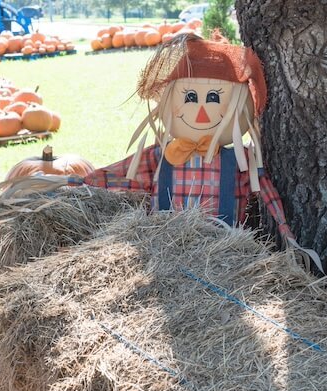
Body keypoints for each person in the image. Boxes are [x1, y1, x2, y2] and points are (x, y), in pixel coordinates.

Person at [81, 32, 295, 242]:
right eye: (190, 98)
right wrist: (78, 182)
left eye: (213, 98)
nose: (201, 111)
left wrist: (285, 232)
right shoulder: (159, 156)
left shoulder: (241, 160)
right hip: (164, 247)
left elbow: (266, 192)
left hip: (222, 251)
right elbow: (121, 177)